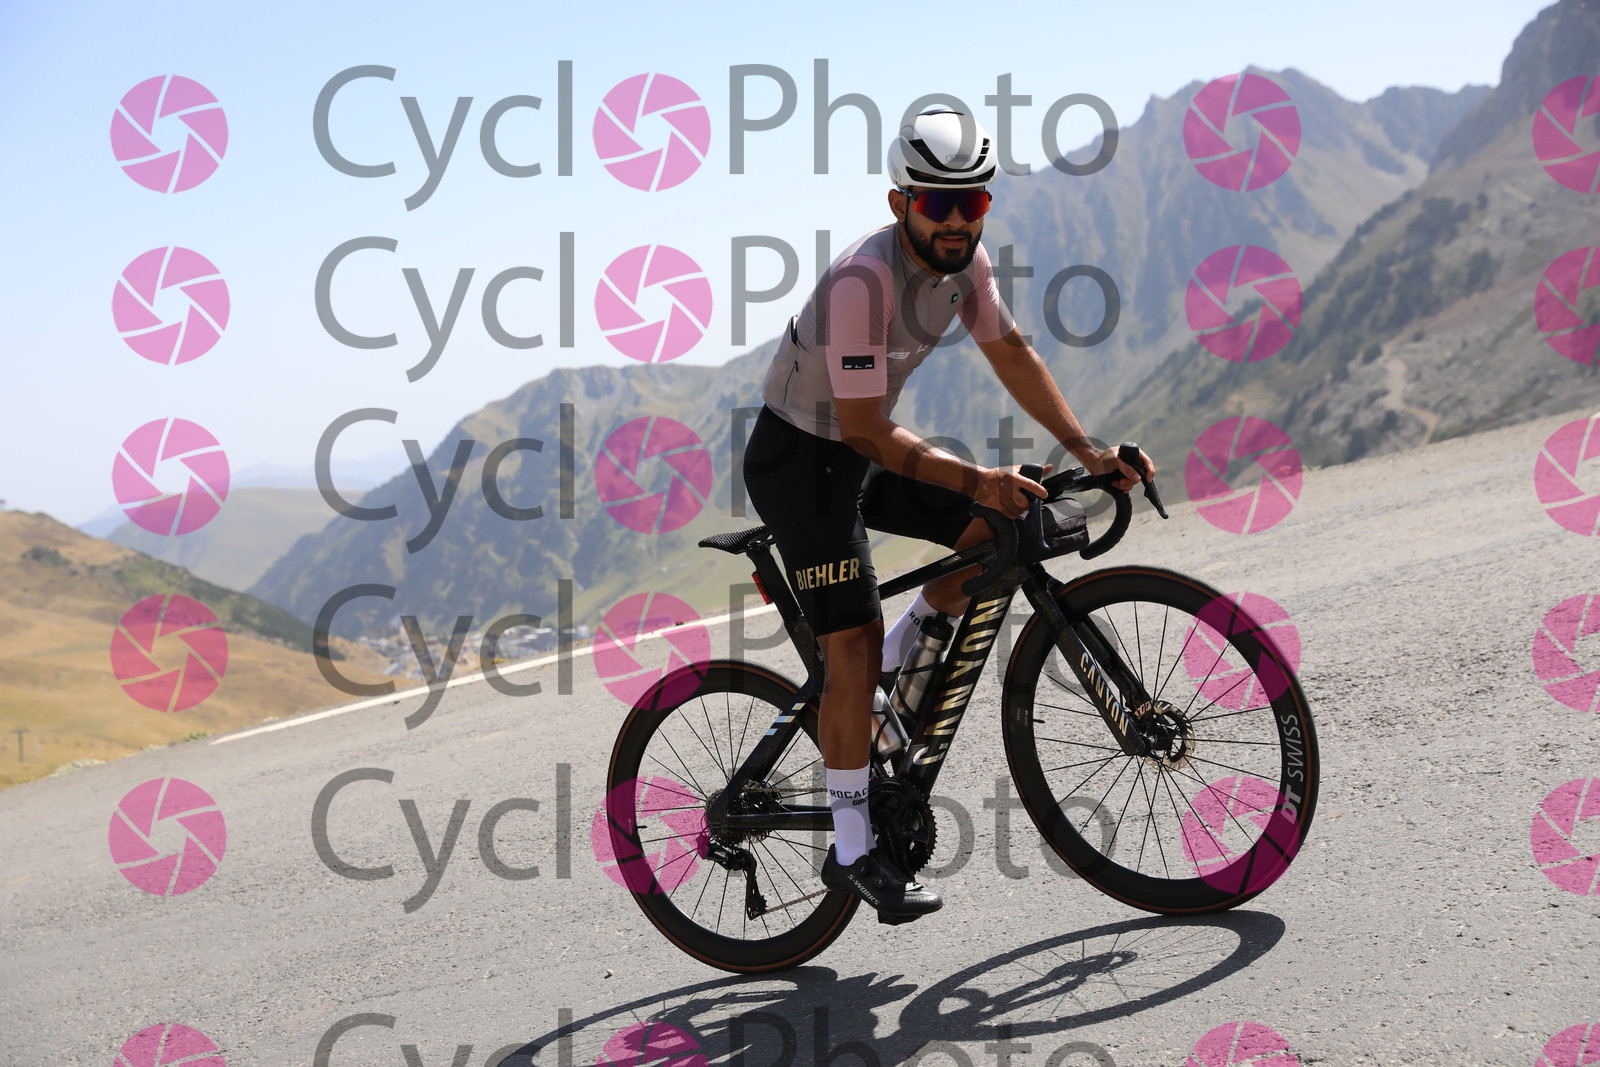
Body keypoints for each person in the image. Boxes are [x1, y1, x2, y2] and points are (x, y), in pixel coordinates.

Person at [741, 108, 1154, 920]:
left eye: (975, 202)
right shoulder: (864, 281)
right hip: (799, 460)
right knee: (850, 641)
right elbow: (865, 427)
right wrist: (979, 476)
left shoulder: (967, 263)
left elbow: (1012, 353)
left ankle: (892, 666)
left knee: (987, 538)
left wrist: (1088, 447)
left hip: (859, 447)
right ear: (901, 204)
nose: (959, 220)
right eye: (939, 204)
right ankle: (853, 847)